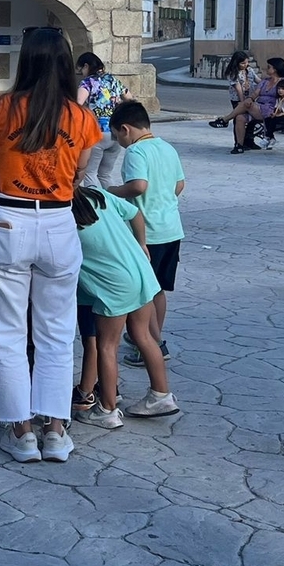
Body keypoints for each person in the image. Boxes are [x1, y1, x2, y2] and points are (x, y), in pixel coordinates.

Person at [0, 27, 100, 464]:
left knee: (7, 332)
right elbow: (80, 172)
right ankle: (56, 430)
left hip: (8, 218)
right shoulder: (80, 117)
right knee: (56, 332)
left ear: (25, 61)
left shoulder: (2, 107)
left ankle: (21, 431)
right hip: (57, 222)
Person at [69, 186, 179, 429]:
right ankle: (161, 395)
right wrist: (142, 244)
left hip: (114, 285)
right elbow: (134, 213)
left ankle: (106, 409)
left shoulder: (61, 214)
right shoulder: (97, 194)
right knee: (144, 336)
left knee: (106, 346)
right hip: (140, 271)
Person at [108, 101, 185, 369]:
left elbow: (138, 186)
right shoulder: (167, 147)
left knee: (143, 293)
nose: (118, 143)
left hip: (148, 232)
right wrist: (162, 201)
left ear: (125, 129)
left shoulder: (136, 151)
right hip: (171, 228)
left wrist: (112, 192)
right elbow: (179, 185)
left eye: (116, 136)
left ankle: (152, 345)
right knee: (158, 289)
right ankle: (153, 337)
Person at [75, 52, 133, 186]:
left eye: (80, 70)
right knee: (105, 174)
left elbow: (77, 104)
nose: (81, 74)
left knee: (89, 173)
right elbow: (131, 100)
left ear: (86, 66)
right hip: (115, 133)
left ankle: (94, 199)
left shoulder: (88, 82)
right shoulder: (113, 81)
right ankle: (111, 198)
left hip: (97, 133)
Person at [218, 57, 284, 153]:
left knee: (247, 105)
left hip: (273, 110)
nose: (266, 69)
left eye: (269, 67)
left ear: (275, 69)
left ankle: (225, 120)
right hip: (259, 107)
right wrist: (250, 98)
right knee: (240, 117)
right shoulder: (265, 81)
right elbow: (256, 93)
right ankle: (239, 145)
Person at [208, 51, 258, 129]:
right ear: (236, 63)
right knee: (238, 116)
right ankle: (235, 132)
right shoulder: (233, 73)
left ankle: (225, 120)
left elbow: (257, 80)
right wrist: (242, 102)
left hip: (250, 97)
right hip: (237, 99)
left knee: (250, 117)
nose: (246, 65)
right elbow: (238, 89)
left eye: (247, 62)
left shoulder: (249, 70)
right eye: (243, 63)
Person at [259, 79, 284, 150]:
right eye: (279, 89)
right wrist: (274, 113)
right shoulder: (279, 99)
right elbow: (277, 109)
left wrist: (282, 114)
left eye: (283, 89)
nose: (280, 91)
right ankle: (271, 137)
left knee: (275, 120)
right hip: (282, 115)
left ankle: (267, 136)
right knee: (268, 118)